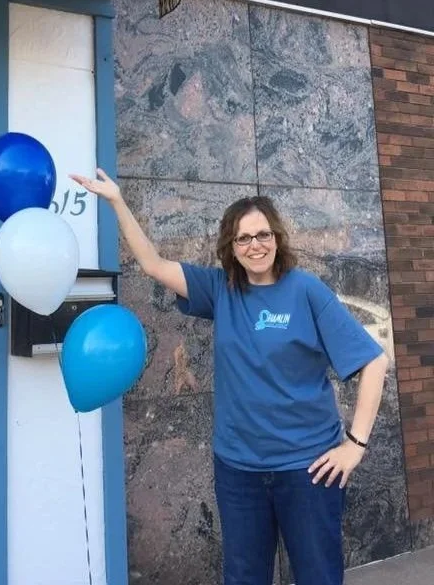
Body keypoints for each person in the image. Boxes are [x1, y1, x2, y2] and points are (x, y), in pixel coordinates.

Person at [70, 169, 389, 585]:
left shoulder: (306, 291)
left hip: (307, 470)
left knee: (318, 576)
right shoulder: (220, 289)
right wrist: (116, 200)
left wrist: (355, 444)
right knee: (243, 577)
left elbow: (374, 362)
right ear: (231, 247)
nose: (255, 245)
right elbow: (151, 264)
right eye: (243, 238)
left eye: (263, 235)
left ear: (277, 238)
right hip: (240, 472)